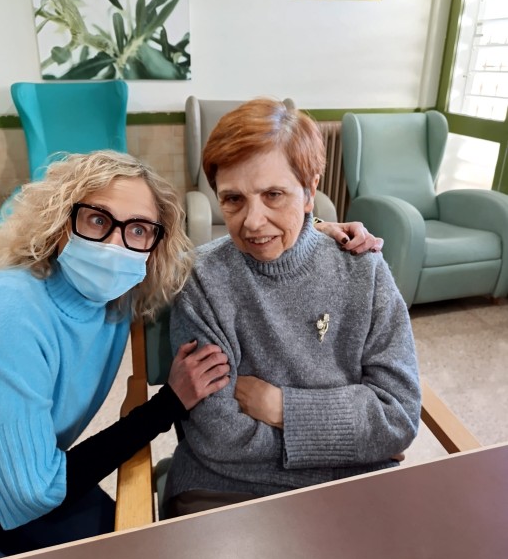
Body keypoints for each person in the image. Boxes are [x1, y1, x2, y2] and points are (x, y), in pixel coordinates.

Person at [0, 148, 380, 559]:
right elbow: (33, 494)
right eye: (97, 220)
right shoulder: (6, 313)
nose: (115, 245)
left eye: (138, 229)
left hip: (27, 480)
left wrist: (307, 231)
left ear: (154, 243)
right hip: (19, 497)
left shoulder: (118, 297)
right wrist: (166, 406)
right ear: (59, 219)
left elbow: (211, 263)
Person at [163, 99, 421, 517]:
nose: (252, 221)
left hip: (353, 487)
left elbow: (398, 417)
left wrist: (281, 408)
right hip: (227, 490)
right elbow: (218, 437)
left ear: (310, 191)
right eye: (233, 199)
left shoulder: (363, 269)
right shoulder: (203, 281)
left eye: (274, 195)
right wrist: (348, 444)